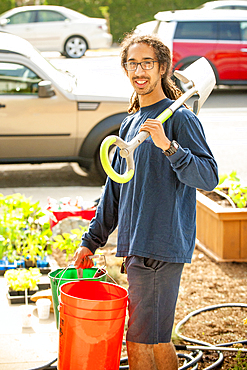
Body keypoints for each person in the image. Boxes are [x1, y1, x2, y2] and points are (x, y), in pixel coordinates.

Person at [73, 33, 218, 370]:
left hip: (161, 245)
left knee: (143, 340)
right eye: (132, 63)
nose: (139, 70)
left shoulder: (180, 119)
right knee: (150, 337)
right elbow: (115, 190)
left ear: (163, 68)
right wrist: (90, 241)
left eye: (147, 63)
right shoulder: (129, 124)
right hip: (138, 245)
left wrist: (169, 146)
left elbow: (208, 177)